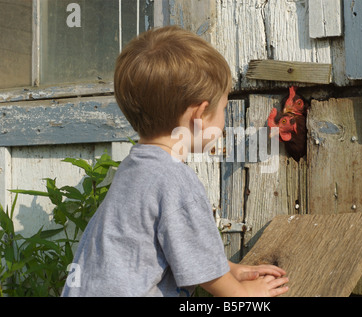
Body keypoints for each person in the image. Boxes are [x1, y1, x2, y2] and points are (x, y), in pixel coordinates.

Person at [61, 26, 288, 297]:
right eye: (224, 108)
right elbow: (219, 285)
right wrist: (245, 295)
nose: (224, 118)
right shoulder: (175, 180)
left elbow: (170, 245)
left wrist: (227, 269)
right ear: (200, 115)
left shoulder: (134, 167)